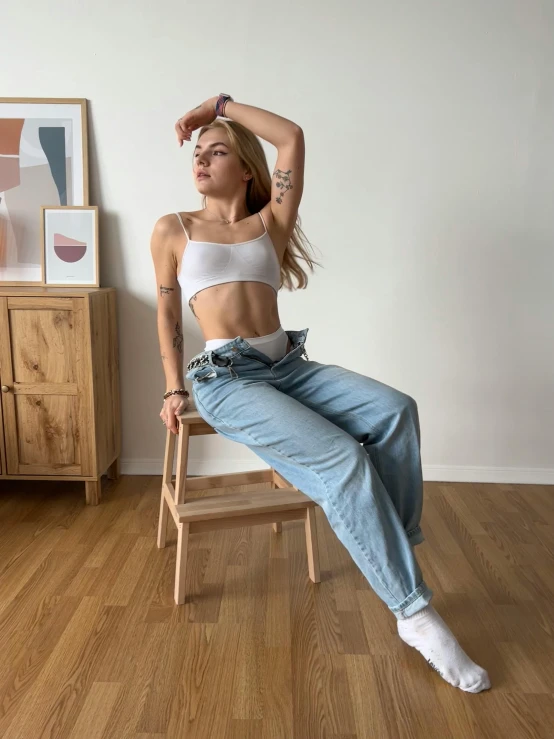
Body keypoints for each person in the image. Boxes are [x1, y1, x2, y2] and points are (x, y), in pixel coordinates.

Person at [150, 94, 491, 693]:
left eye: (216, 149)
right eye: (196, 153)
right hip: (226, 379)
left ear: (247, 169)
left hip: (289, 365)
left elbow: (291, 138)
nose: (200, 159)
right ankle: (413, 614)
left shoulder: (270, 222)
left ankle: (393, 544)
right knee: (342, 461)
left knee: (395, 411)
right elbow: (168, 312)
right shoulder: (173, 229)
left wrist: (220, 105)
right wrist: (174, 387)